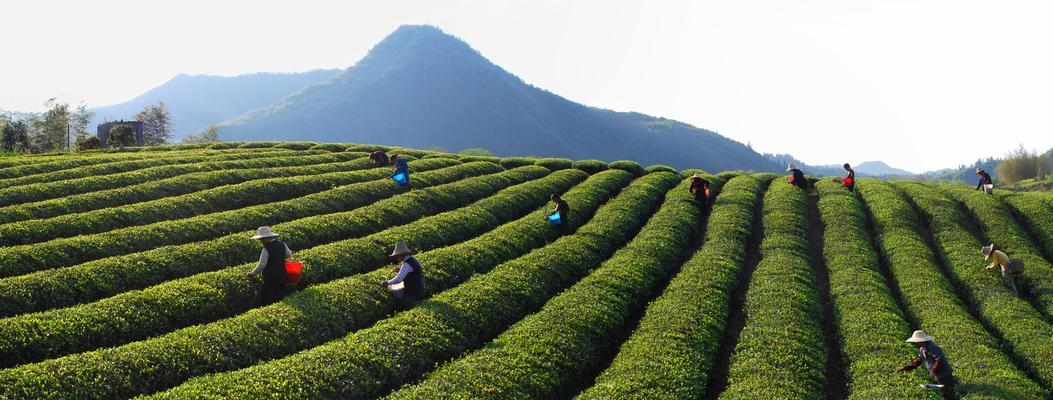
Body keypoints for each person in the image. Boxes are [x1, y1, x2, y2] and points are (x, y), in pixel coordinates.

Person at [246, 226, 293, 304]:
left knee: (269, 298)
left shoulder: (266, 249)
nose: (260, 241)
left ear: (266, 238)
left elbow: (262, 265)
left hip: (270, 278)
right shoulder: (281, 244)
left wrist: (252, 273)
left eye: (261, 239)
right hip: (282, 274)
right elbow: (289, 254)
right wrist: (280, 260)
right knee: (280, 296)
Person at [379, 240, 425, 306]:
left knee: (403, 305)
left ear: (401, 255)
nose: (397, 258)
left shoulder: (407, 264)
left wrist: (387, 283)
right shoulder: (413, 260)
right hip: (418, 289)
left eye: (397, 256)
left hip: (412, 292)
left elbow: (399, 279)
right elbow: (411, 273)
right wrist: (400, 270)